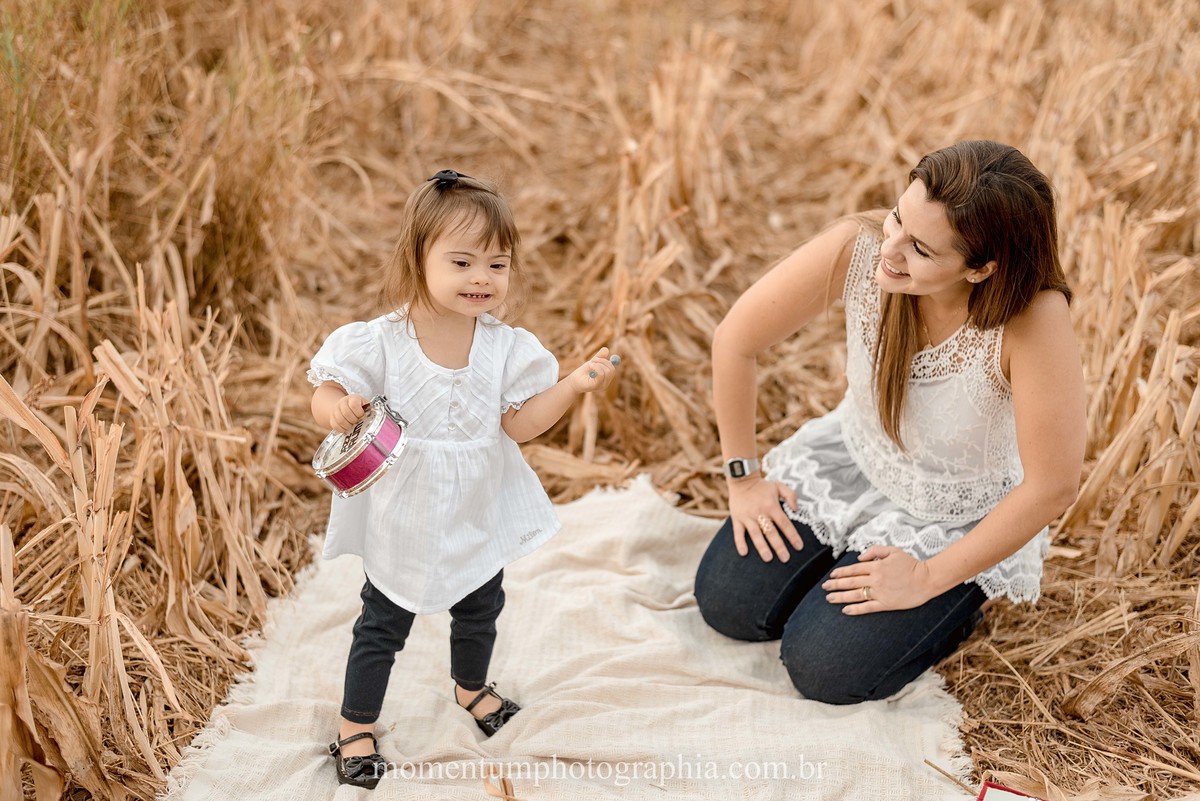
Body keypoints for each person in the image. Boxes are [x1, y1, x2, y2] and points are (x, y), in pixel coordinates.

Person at [695, 141, 1085, 705]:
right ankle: (839, 564)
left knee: (823, 668)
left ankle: (957, 605)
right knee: (727, 601)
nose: (890, 247)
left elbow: (1054, 486)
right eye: (899, 216)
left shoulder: (1033, 318)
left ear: (981, 268)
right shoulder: (865, 245)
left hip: (954, 516)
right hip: (855, 464)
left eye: (920, 249)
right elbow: (736, 339)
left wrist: (926, 580)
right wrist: (744, 480)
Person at [309, 170, 619, 789]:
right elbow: (326, 390)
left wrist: (571, 388)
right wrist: (337, 407)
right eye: (462, 262)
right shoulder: (382, 341)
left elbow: (520, 426)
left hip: (478, 506)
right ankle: (355, 722)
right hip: (406, 512)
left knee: (481, 609)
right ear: (417, 259)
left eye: (497, 265)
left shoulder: (505, 347)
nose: (483, 278)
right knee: (381, 623)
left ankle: (471, 687)